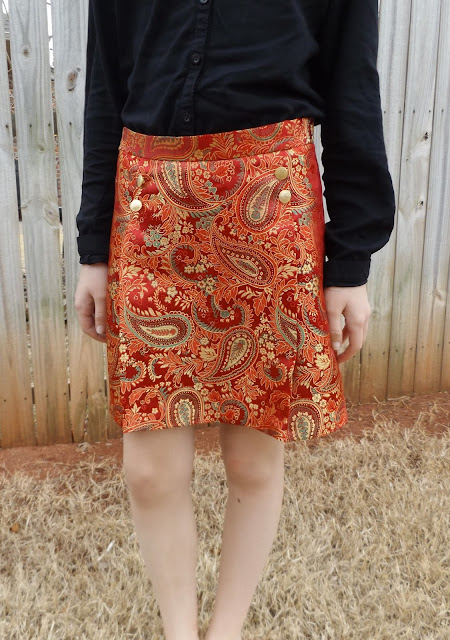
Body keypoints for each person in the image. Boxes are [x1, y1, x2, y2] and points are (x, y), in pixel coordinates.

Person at [74, 1, 395, 638]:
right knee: (149, 470)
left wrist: (350, 261)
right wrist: (93, 250)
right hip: (150, 213)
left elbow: (352, 87)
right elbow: (106, 87)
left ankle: (225, 631)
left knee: (252, 460)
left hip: (268, 211)